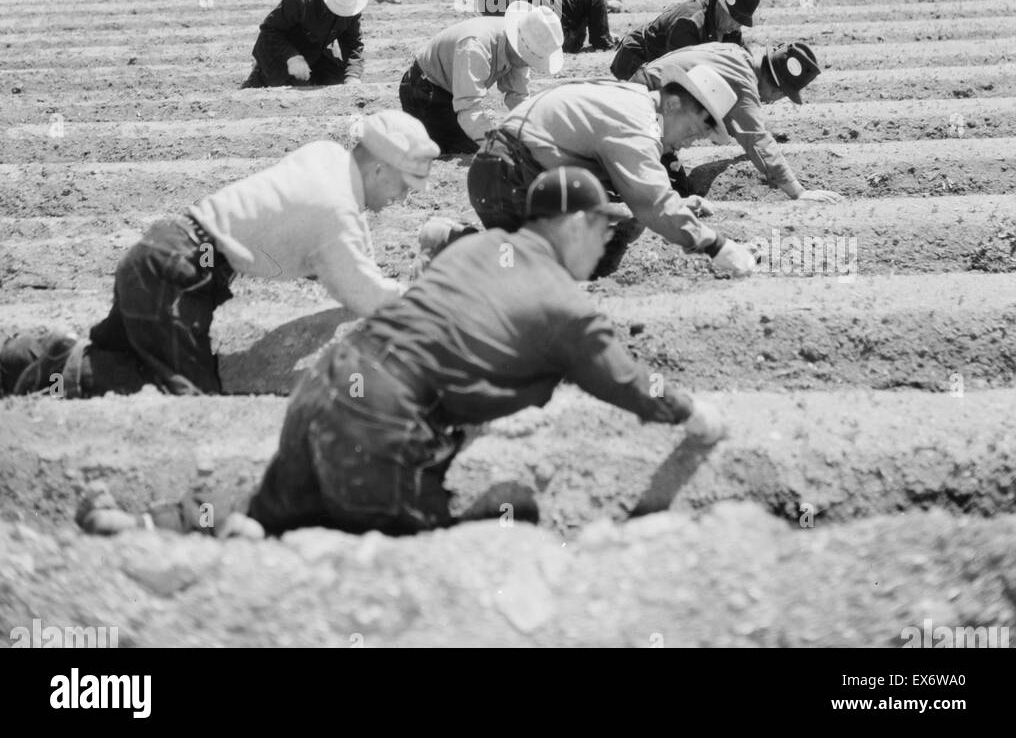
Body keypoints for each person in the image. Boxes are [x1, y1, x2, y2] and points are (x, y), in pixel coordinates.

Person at [70, 168, 728, 542]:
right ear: (576, 225)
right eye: (606, 228)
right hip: (387, 423)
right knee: (446, 543)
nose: (610, 243)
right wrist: (694, 412)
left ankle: (139, 523)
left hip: (333, 385)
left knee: (269, 511)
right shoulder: (567, 305)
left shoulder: (475, 251)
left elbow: (450, 336)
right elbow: (634, 382)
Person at [0, 114, 440, 399]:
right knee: (187, 398)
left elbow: (344, 234)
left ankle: (39, 358)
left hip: (164, 253)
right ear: (379, 168)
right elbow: (363, 293)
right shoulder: (335, 213)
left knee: (126, 356)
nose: (400, 199)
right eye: (402, 187)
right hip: (179, 274)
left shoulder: (326, 156)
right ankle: (52, 368)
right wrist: (427, 303)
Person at [466, 63, 758, 280]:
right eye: (693, 130)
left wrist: (678, 206)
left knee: (617, 225)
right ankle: (457, 252)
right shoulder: (639, 124)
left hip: (507, 171)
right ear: (672, 103)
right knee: (544, 280)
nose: (690, 142)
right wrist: (717, 246)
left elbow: (642, 194)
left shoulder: (634, 100)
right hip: (507, 177)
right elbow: (652, 203)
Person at [632, 41, 841, 202]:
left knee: (673, 184)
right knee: (666, 193)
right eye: (781, 95)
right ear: (776, 87)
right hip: (650, 104)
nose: (771, 101)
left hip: (646, 88)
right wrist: (798, 192)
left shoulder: (736, 55)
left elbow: (732, 119)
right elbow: (757, 140)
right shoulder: (743, 83)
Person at [399, 3, 564, 154]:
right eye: (530, 58)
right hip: (425, 91)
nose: (531, 64)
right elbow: (468, 108)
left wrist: (535, 130)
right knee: (468, 149)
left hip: (451, 91)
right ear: (519, 47)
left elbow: (518, 96)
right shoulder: (475, 47)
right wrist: (496, 144)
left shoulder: (517, 43)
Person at [241, 0, 369, 89]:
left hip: (316, 51)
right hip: (282, 52)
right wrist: (291, 57)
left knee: (339, 83)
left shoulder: (351, 5)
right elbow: (269, 31)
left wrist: (353, 75)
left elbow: (353, 44)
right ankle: (259, 77)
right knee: (295, 90)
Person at [610, 0, 760, 81]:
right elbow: (681, 71)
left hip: (663, 66)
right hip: (637, 63)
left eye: (740, 22)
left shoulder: (729, 26)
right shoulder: (689, 22)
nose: (737, 27)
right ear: (722, 7)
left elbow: (741, 59)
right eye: (735, 20)